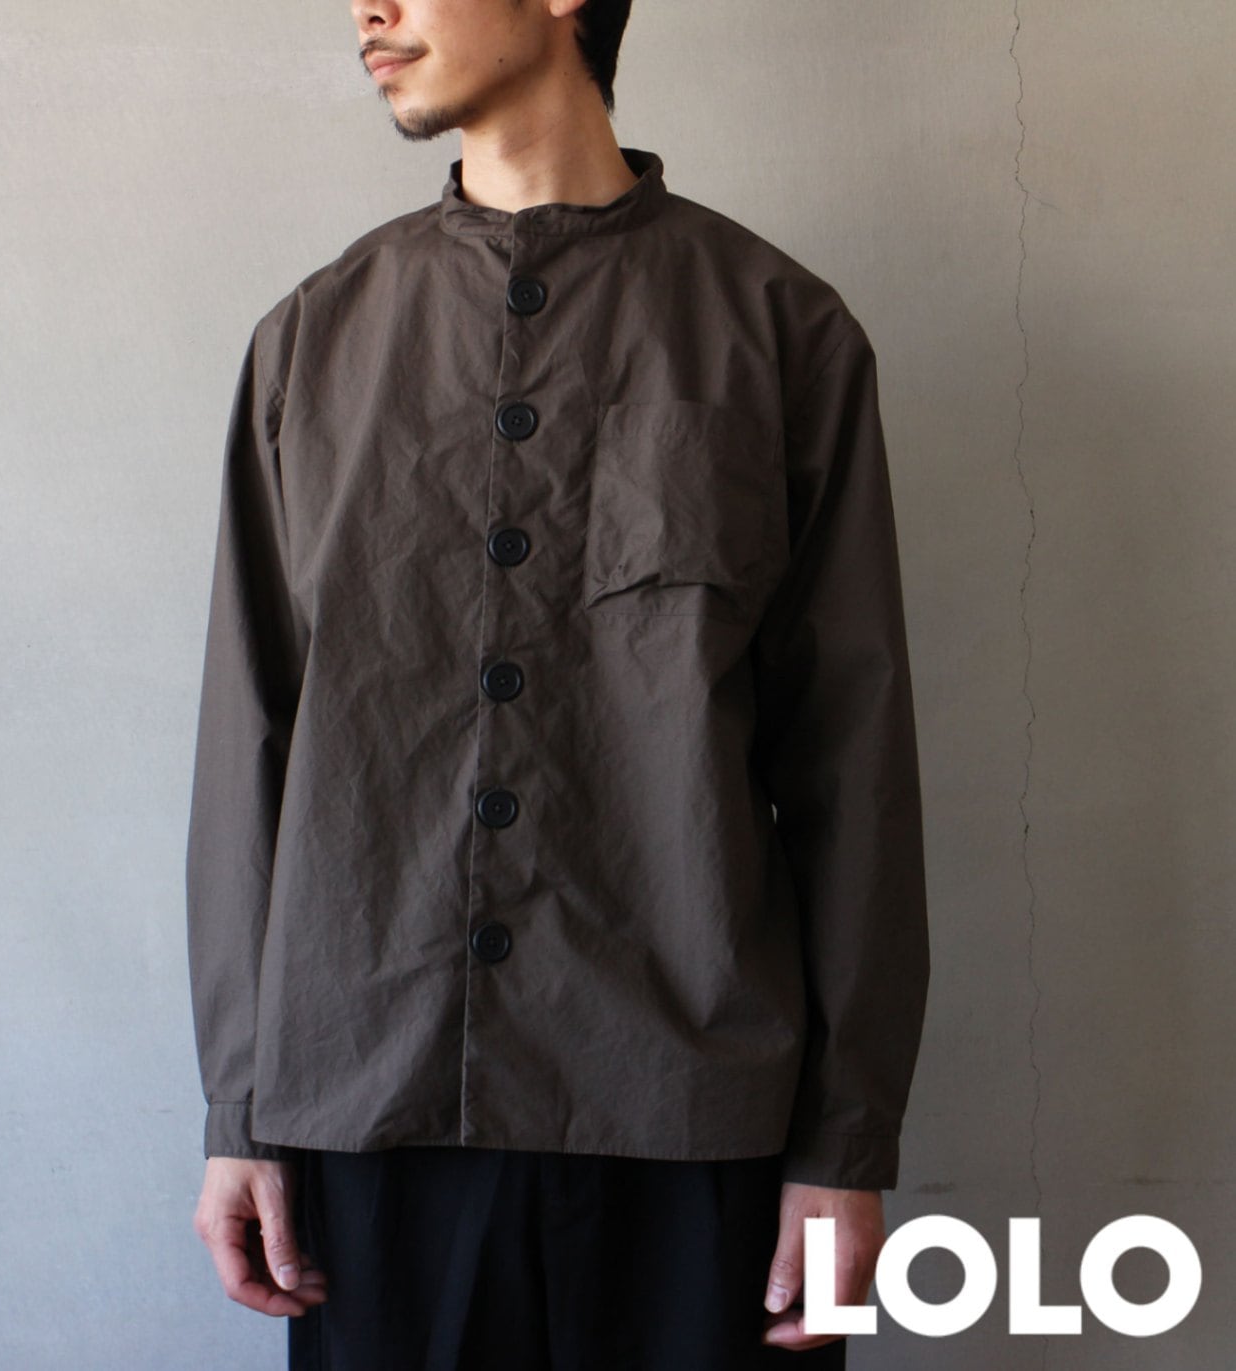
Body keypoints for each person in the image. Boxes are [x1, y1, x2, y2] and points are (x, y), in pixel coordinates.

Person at [186, 0, 931, 1366]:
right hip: (374, 1117)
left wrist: (847, 1140)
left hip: (698, 1127)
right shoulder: (313, 342)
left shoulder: (781, 332)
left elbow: (854, 764)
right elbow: (252, 745)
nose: (368, 8)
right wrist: (239, 1112)